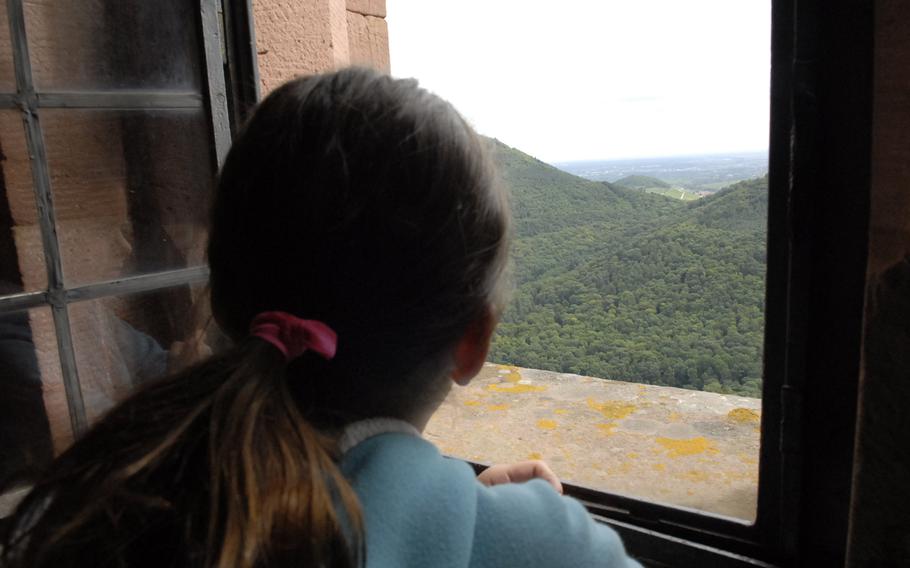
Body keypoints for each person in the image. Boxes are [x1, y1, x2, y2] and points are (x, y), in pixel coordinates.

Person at [0, 67, 641, 567]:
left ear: (223, 301)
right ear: (473, 342)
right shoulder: (553, 546)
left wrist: (455, 514)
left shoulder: (92, 505)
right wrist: (499, 531)